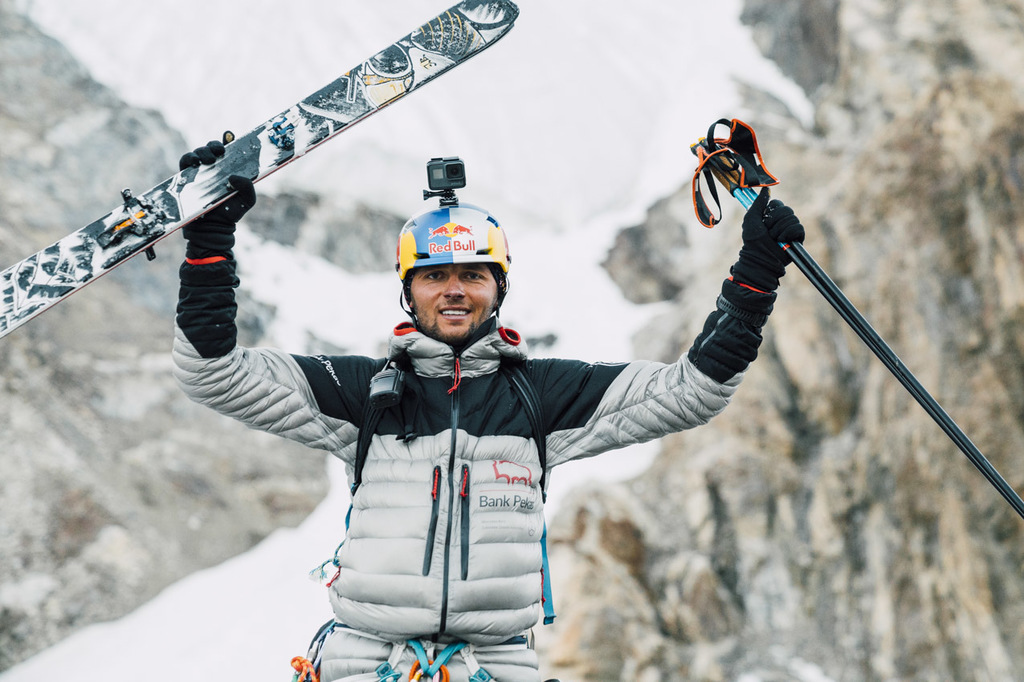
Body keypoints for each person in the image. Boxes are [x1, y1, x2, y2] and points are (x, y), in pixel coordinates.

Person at [172, 142, 804, 682]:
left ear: (499, 287)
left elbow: (691, 390)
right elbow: (214, 372)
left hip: (494, 666)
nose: (454, 289)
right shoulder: (361, 392)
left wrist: (755, 278)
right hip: (366, 664)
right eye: (434, 274)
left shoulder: (542, 395)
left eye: (475, 274)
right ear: (408, 290)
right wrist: (209, 243)